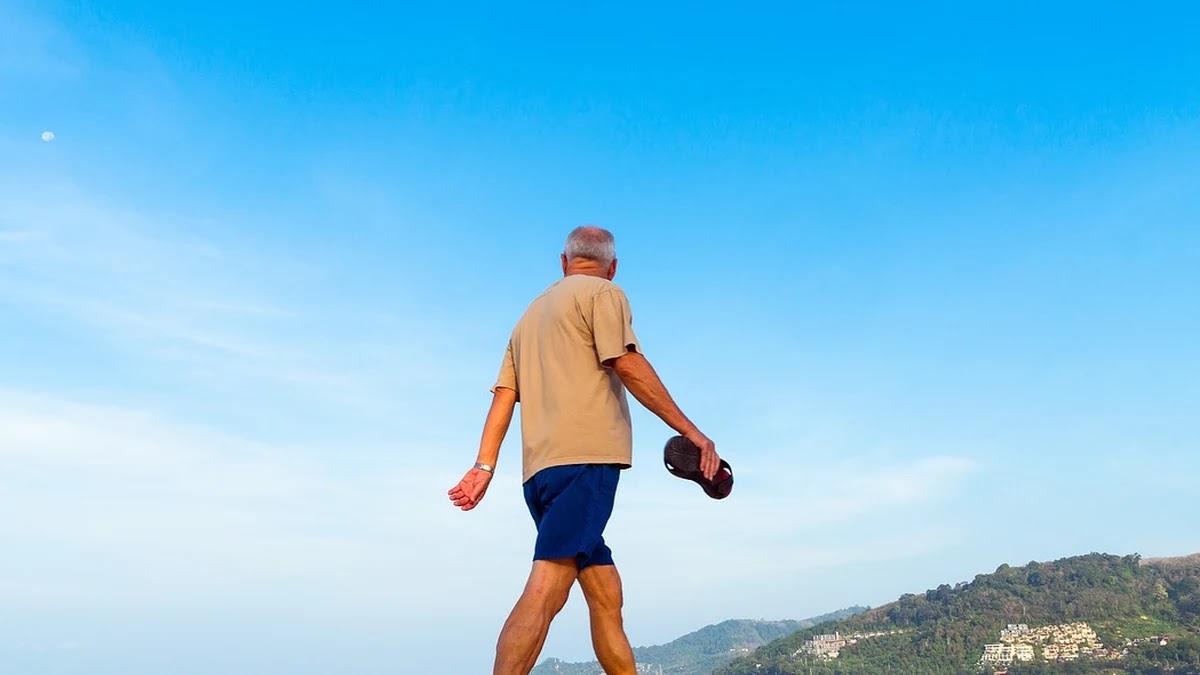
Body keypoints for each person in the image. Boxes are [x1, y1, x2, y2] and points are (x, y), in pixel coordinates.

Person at [447, 226, 721, 675]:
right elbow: (626, 362)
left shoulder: (528, 317)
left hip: (539, 474)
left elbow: (503, 395)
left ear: (563, 262)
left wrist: (483, 466)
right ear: (612, 266)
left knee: (604, 591)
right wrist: (693, 432)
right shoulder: (604, 294)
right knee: (546, 590)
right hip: (585, 463)